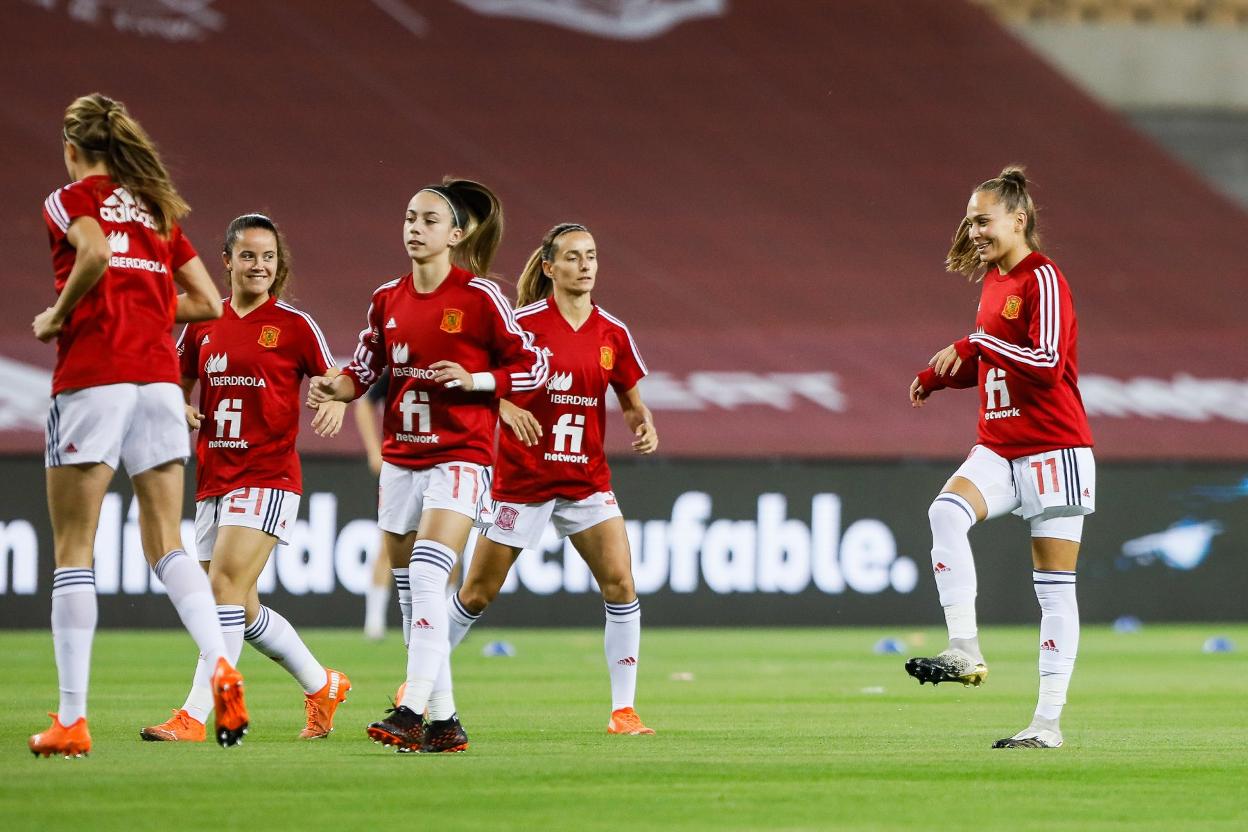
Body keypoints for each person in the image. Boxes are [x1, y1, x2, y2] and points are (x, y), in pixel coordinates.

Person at [28, 93, 245, 757]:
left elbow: (90, 254)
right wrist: (148, 307)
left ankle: (71, 720)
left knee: (74, 547)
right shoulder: (155, 208)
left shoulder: (69, 200)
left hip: (95, 377)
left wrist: (59, 314)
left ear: (72, 149)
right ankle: (220, 666)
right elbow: (208, 301)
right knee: (168, 545)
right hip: (157, 383)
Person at [306, 178, 548, 753]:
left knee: (426, 571)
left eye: (429, 220)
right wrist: (332, 389)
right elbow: (362, 369)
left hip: (459, 456)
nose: (415, 228)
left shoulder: (481, 298)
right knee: (416, 596)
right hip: (401, 461)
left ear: (456, 235)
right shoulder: (386, 298)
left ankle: (410, 708)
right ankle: (444, 723)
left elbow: (536, 369)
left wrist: (479, 380)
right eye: (410, 217)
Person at [140, 213, 352, 743]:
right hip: (215, 477)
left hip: (269, 475)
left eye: (269, 257)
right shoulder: (204, 324)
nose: (260, 265)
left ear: (279, 266)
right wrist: (180, 407)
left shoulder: (297, 326)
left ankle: (195, 714)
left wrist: (334, 401)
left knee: (222, 591)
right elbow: (177, 381)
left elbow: (334, 379)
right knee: (241, 604)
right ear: (228, 261)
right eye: (250, 255)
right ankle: (321, 683)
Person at [905, 166, 1095, 749]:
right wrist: (941, 376)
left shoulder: (1044, 278)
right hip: (999, 445)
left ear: (1019, 219)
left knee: (1054, 589)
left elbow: (1045, 361)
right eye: (970, 220)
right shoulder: (992, 281)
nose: (975, 230)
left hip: (1055, 448)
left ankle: (1046, 725)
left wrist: (974, 343)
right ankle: (964, 649)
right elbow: (997, 365)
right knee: (944, 513)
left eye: (983, 220)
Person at [448, 223, 659, 735]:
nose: (585, 265)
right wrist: (503, 405)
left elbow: (630, 399)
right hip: (523, 482)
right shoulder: (520, 326)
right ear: (549, 267)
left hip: (586, 480)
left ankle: (623, 710)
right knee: (476, 594)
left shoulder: (613, 332)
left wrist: (642, 423)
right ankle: (417, 683)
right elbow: (473, 380)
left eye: (591, 256)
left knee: (621, 584)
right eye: (573, 257)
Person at [354, 374, 393, 640]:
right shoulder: (402, 363)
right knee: (389, 541)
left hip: (449, 463)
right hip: (402, 465)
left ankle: (447, 618)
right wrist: (373, 450)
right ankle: (374, 623)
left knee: (453, 549)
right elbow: (365, 404)